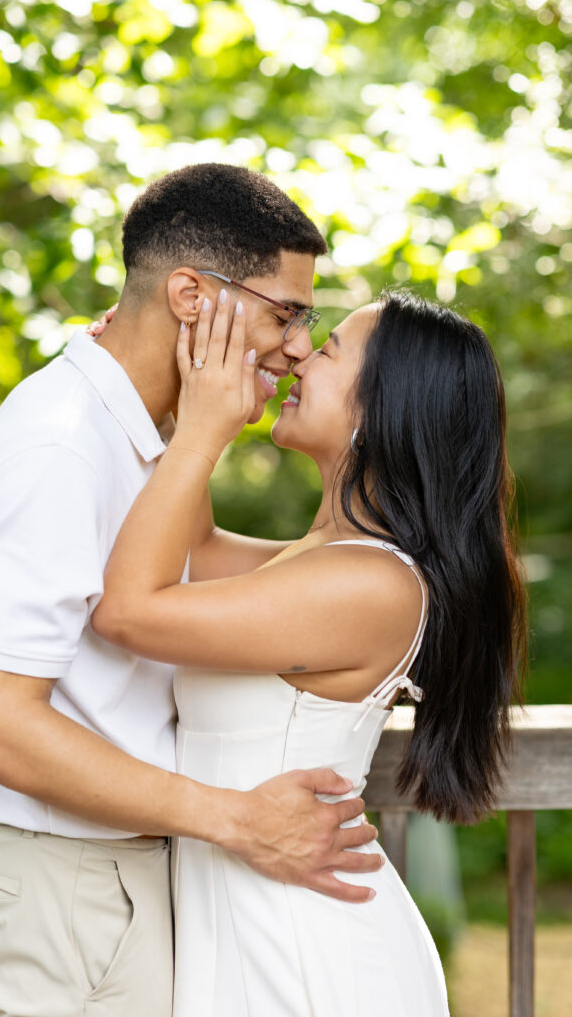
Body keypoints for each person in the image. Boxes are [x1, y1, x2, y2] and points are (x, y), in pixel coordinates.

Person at [0, 164, 382, 1017]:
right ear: (189, 296)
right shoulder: (58, 449)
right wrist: (239, 820)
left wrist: (378, 576)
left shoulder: (138, 430)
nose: (293, 346)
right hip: (61, 883)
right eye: (285, 313)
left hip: (127, 872)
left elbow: (200, 559)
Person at [91, 288, 528, 1015]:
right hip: (254, 923)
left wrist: (203, 428)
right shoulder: (326, 560)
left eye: (324, 351)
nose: (295, 357)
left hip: (304, 951)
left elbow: (130, 612)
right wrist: (166, 377)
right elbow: (190, 551)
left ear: (380, 408)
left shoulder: (368, 585)